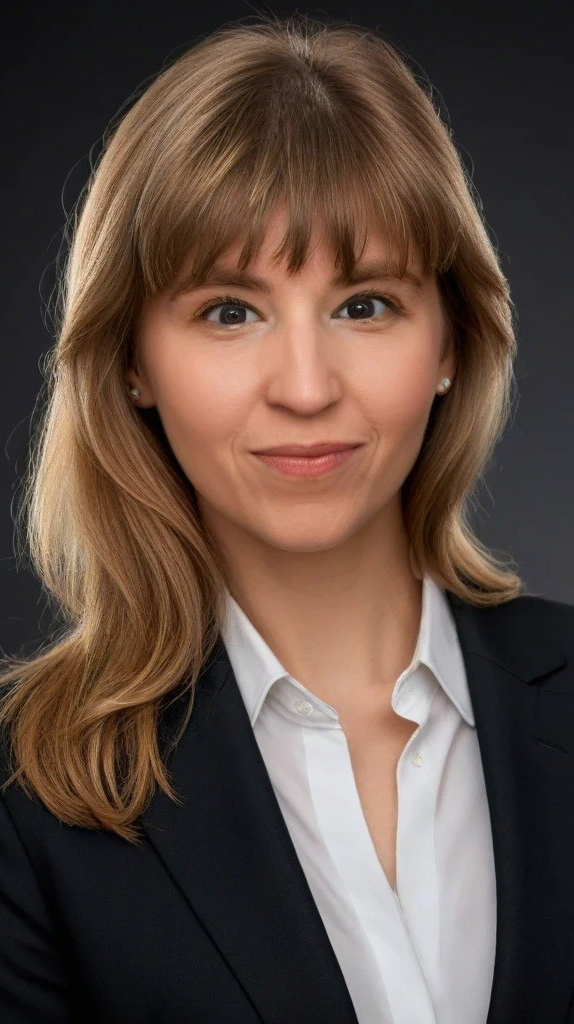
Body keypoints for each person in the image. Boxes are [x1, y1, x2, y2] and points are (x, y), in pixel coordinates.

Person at [1, 12, 573, 1024]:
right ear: (131, 359)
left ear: (450, 340)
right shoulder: (24, 797)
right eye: (229, 309)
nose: (306, 388)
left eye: (364, 304)